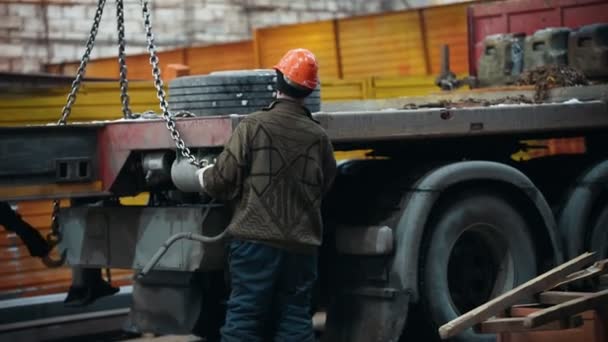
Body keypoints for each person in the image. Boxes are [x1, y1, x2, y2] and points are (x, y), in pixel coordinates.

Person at [196, 48, 337, 342]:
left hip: (255, 244)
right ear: (309, 91)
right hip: (302, 246)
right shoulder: (319, 136)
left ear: (278, 81)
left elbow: (222, 179)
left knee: (244, 318)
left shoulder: (253, 125)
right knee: (296, 320)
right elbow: (325, 183)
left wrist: (201, 176)